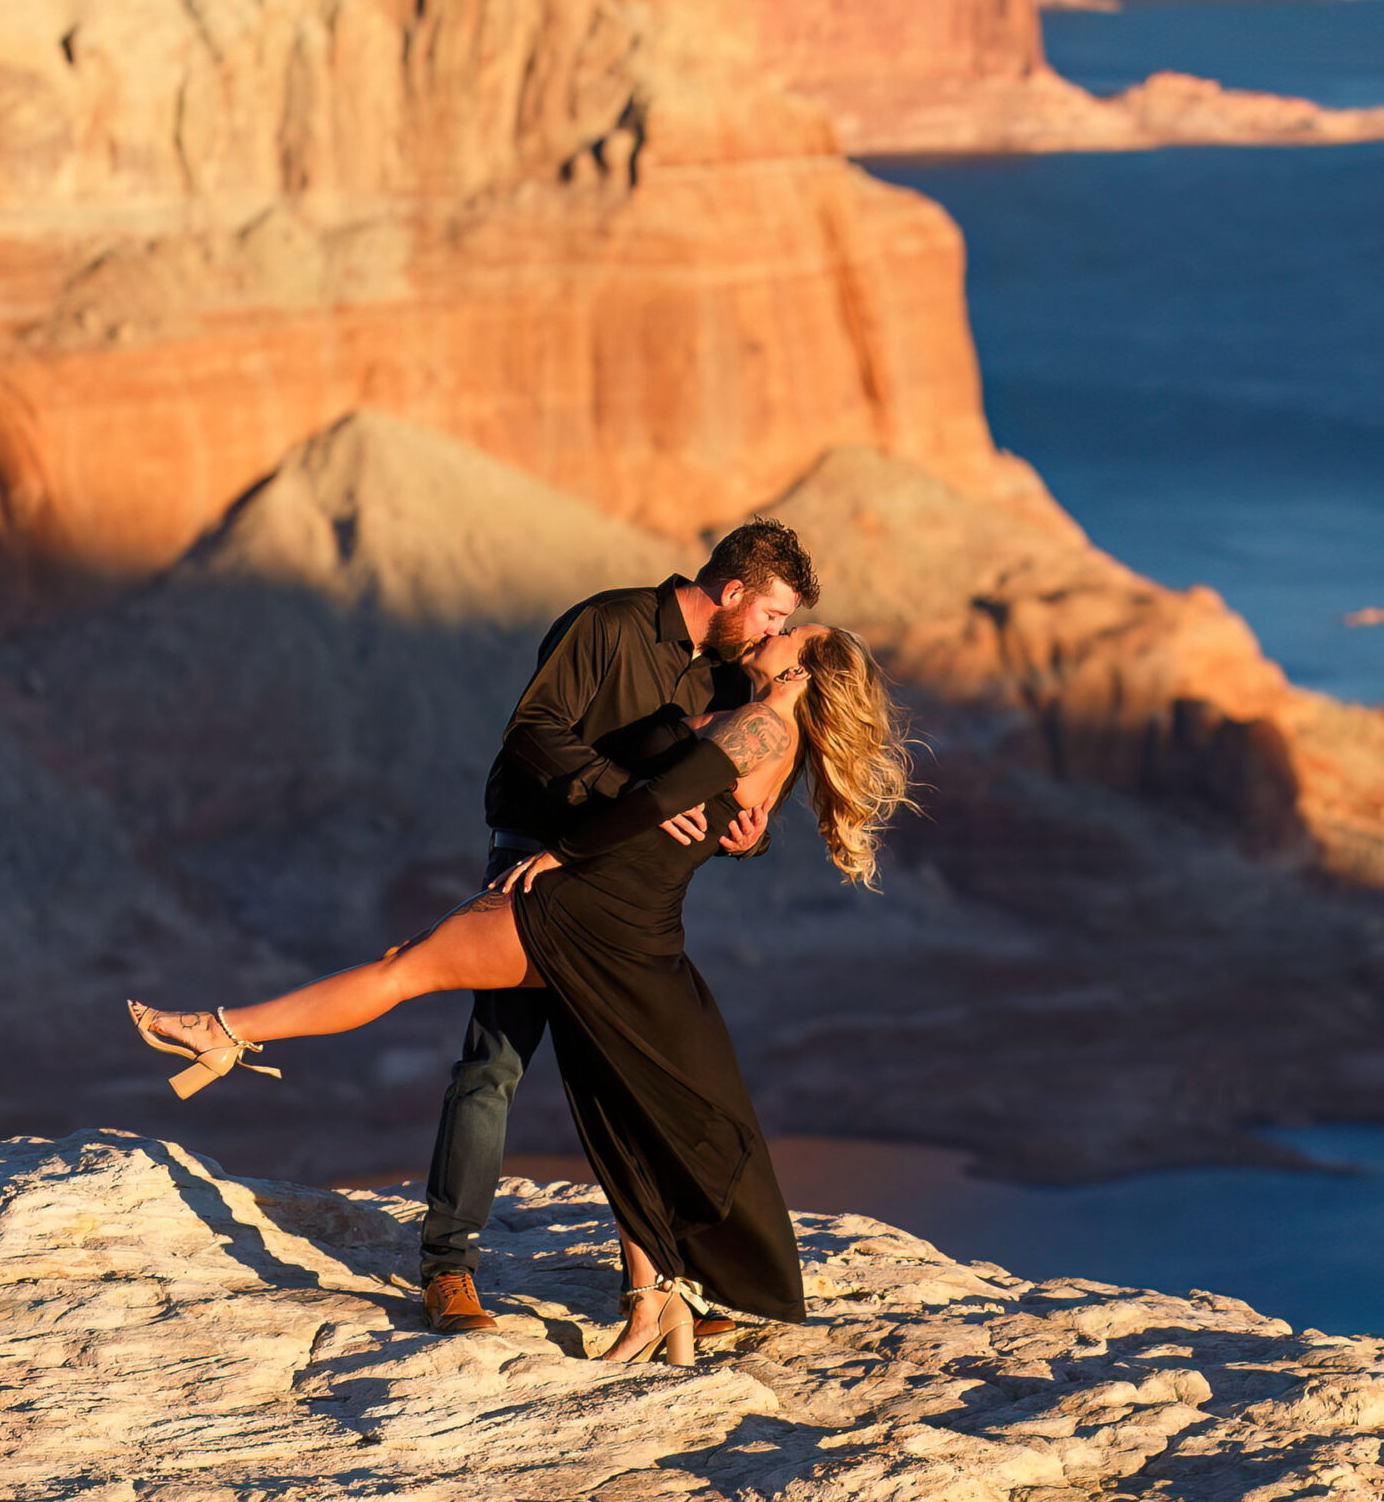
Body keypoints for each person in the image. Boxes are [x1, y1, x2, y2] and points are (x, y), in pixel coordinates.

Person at [127, 625, 912, 1364]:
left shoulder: (764, 727)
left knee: (404, 969)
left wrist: (560, 855)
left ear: (800, 670)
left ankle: (221, 1031)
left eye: (792, 632)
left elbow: (653, 803)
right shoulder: (771, 734)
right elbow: (706, 802)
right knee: (615, 1109)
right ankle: (655, 1298)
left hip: (586, 907)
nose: (776, 629)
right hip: (635, 926)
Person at [418, 520, 816, 1337]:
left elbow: (729, 783)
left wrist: (751, 836)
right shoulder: (606, 623)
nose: (774, 635)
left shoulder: (729, 681)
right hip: (536, 861)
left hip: (626, 899)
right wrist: (626, 794)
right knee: (494, 1063)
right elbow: (531, 734)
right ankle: (447, 1270)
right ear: (732, 592)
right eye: (772, 615)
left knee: (633, 1086)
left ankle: (669, 1288)